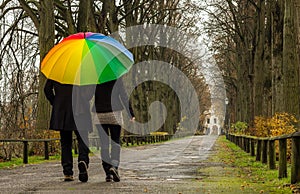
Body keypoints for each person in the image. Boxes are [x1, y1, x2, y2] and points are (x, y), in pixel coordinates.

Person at [44, 79, 93, 182]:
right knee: (83, 139)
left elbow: (47, 89)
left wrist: (56, 102)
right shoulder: (84, 70)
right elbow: (89, 93)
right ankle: (83, 160)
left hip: (63, 110)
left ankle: (67, 172)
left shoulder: (58, 70)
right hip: (81, 110)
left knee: (66, 143)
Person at [94, 78, 135, 182]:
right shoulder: (117, 77)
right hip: (115, 112)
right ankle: (114, 166)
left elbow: (89, 95)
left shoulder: (96, 77)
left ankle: (108, 173)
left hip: (99, 113)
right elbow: (123, 95)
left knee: (104, 143)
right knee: (115, 141)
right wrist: (131, 113)